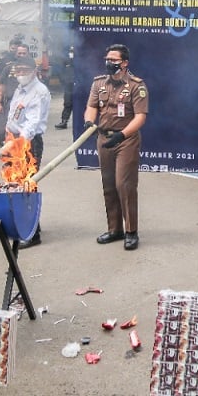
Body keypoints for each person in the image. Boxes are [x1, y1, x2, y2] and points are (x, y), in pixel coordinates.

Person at [85, 44, 148, 251]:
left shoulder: (136, 85)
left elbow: (140, 117)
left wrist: (122, 135)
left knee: (124, 185)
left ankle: (131, 231)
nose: (109, 63)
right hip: (103, 139)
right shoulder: (99, 83)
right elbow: (92, 107)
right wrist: (89, 122)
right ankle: (114, 230)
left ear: (124, 63)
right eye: (107, 59)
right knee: (109, 185)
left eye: (113, 60)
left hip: (126, 140)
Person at [6, 55, 51, 248]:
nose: (21, 74)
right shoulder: (21, 88)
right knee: (15, 185)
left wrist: (19, 143)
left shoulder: (39, 91)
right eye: (18, 70)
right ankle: (23, 225)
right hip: (14, 141)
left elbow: (32, 122)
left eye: (24, 70)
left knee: (27, 187)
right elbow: (14, 116)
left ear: (34, 71)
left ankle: (33, 234)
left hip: (28, 144)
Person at [0, 37, 23, 145]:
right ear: (10, 47)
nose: (14, 51)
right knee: (2, 121)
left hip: (21, 100)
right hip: (7, 98)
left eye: (16, 50)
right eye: (12, 48)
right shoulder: (4, 61)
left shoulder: (26, 62)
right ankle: (2, 141)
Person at [55, 46, 75, 130]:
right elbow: (60, 70)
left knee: (82, 103)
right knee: (67, 102)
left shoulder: (81, 56)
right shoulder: (64, 57)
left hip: (79, 82)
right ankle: (64, 121)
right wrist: (63, 81)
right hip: (68, 83)